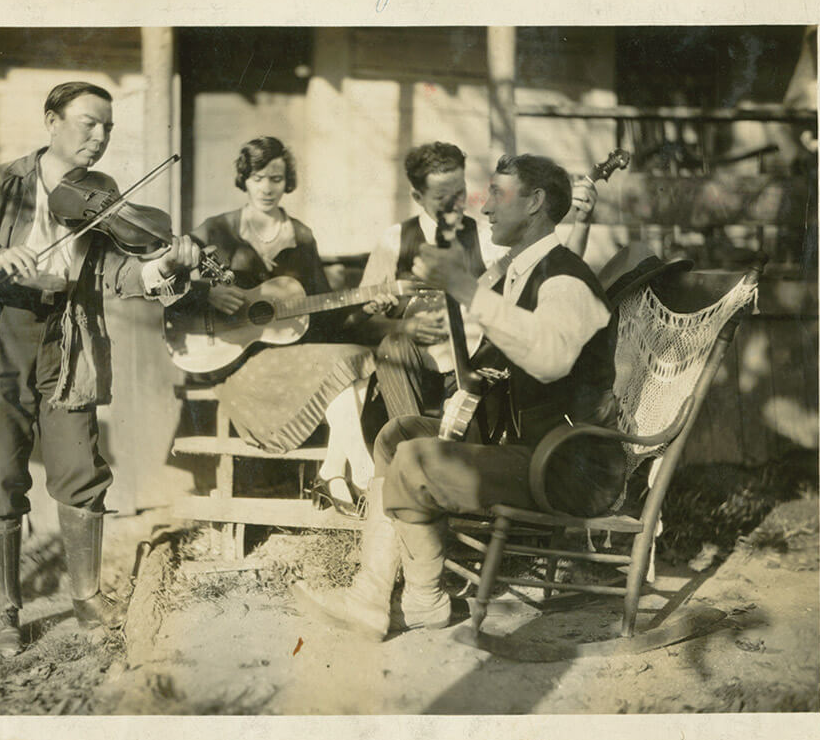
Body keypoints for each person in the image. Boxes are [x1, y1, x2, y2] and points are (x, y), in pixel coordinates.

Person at [292, 153, 625, 641]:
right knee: (395, 436)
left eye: (498, 194)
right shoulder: (516, 272)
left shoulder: (565, 279)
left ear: (534, 203)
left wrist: (467, 289)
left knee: (413, 461)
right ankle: (404, 596)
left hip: (565, 464)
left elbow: (551, 357)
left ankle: (402, 599)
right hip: (523, 444)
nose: (484, 207)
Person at [0, 81, 200, 655]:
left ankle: (87, 597)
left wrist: (164, 266)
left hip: (67, 336)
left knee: (78, 465)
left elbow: (116, 275)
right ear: (52, 120)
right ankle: (4, 611)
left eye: (108, 129)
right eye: (88, 124)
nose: (99, 138)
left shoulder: (104, 194)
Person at [173, 136, 381, 512]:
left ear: (288, 183)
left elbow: (322, 314)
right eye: (258, 178)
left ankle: (334, 472)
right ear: (244, 180)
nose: (267, 188)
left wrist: (366, 306)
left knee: (358, 357)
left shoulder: (301, 236)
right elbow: (165, 279)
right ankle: (359, 473)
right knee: (345, 366)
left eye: (276, 178)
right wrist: (206, 294)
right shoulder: (217, 230)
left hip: (289, 355)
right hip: (234, 358)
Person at [351, 142, 599, 421]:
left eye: (460, 193)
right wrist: (404, 326)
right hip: (407, 367)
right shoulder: (393, 241)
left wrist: (582, 223)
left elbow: (550, 267)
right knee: (393, 346)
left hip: (469, 366)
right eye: (441, 196)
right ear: (418, 197)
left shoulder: (485, 236)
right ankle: (412, 441)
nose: (455, 204)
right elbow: (359, 324)